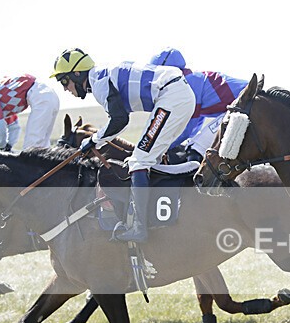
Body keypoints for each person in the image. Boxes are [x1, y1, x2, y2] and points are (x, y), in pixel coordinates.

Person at [50, 48, 195, 242]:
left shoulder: (99, 81)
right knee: (144, 157)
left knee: (138, 161)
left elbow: (119, 120)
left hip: (172, 96)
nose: (65, 88)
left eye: (64, 81)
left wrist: (93, 140)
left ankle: (139, 228)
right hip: (176, 95)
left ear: (77, 73)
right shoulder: (101, 76)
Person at [149, 47, 248, 162]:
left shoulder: (187, 85)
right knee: (193, 143)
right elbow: (197, 122)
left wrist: (164, 147)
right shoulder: (192, 79)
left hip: (244, 103)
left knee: (195, 148)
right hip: (244, 102)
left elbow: (188, 128)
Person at [0, 74, 59, 151]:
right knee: (43, 149)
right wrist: (8, 146)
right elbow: (14, 127)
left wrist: (1, 149)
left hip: (40, 96)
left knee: (31, 151)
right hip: (46, 94)